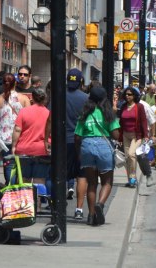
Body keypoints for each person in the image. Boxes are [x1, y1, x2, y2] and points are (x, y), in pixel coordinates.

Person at [74, 87, 119, 226]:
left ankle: (91, 214)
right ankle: (100, 204)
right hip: (104, 147)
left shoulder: (85, 113)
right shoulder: (108, 113)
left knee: (92, 183)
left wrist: (79, 152)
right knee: (107, 181)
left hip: (87, 145)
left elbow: (77, 136)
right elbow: (116, 135)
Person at [0, 73, 30, 184]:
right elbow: (29, 119)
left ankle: (10, 188)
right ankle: (20, 188)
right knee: (22, 166)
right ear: (15, 83)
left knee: (8, 166)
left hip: (4, 139)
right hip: (21, 137)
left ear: (3, 84)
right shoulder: (23, 99)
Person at [12, 88, 50, 186]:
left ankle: (26, 200)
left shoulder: (24, 111)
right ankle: (38, 199)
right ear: (44, 99)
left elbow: (17, 130)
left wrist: (13, 146)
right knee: (40, 179)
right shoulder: (48, 113)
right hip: (42, 150)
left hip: (24, 149)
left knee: (24, 179)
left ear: (32, 98)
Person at [64, 69, 89, 218]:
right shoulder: (86, 98)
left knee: (61, 173)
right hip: (82, 141)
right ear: (81, 81)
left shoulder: (59, 96)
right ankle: (79, 210)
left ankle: (59, 205)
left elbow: (49, 118)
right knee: (82, 174)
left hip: (63, 141)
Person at [117, 87, 149, 188]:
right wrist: (120, 137)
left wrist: (146, 135)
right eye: (126, 94)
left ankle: (133, 178)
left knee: (131, 154)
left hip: (136, 135)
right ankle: (131, 180)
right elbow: (121, 122)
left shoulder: (139, 106)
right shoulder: (123, 106)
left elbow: (144, 121)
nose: (127, 96)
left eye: (130, 94)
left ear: (134, 96)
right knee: (127, 158)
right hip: (125, 134)